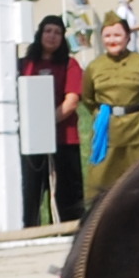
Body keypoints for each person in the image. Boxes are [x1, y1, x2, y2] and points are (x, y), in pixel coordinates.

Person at [79, 14, 139, 198]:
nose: (113, 40)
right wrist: (103, 116)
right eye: (108, 36)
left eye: (117, 35)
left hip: (138, 129)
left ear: (128, 37)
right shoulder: (94, 67)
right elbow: (88, 98)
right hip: (108, 131)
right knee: (101, 183)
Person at [16, 13, 85, 226]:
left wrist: (45, 123)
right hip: (31, 142)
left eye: (57, 32)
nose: (52, 36)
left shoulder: (70, 65)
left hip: (64, 140)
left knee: (67, 194)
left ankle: (68, 233)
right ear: (39, 34)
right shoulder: (24, 64)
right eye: (48, 31)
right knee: (31, 193)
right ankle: (30, 234)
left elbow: (71, 100)